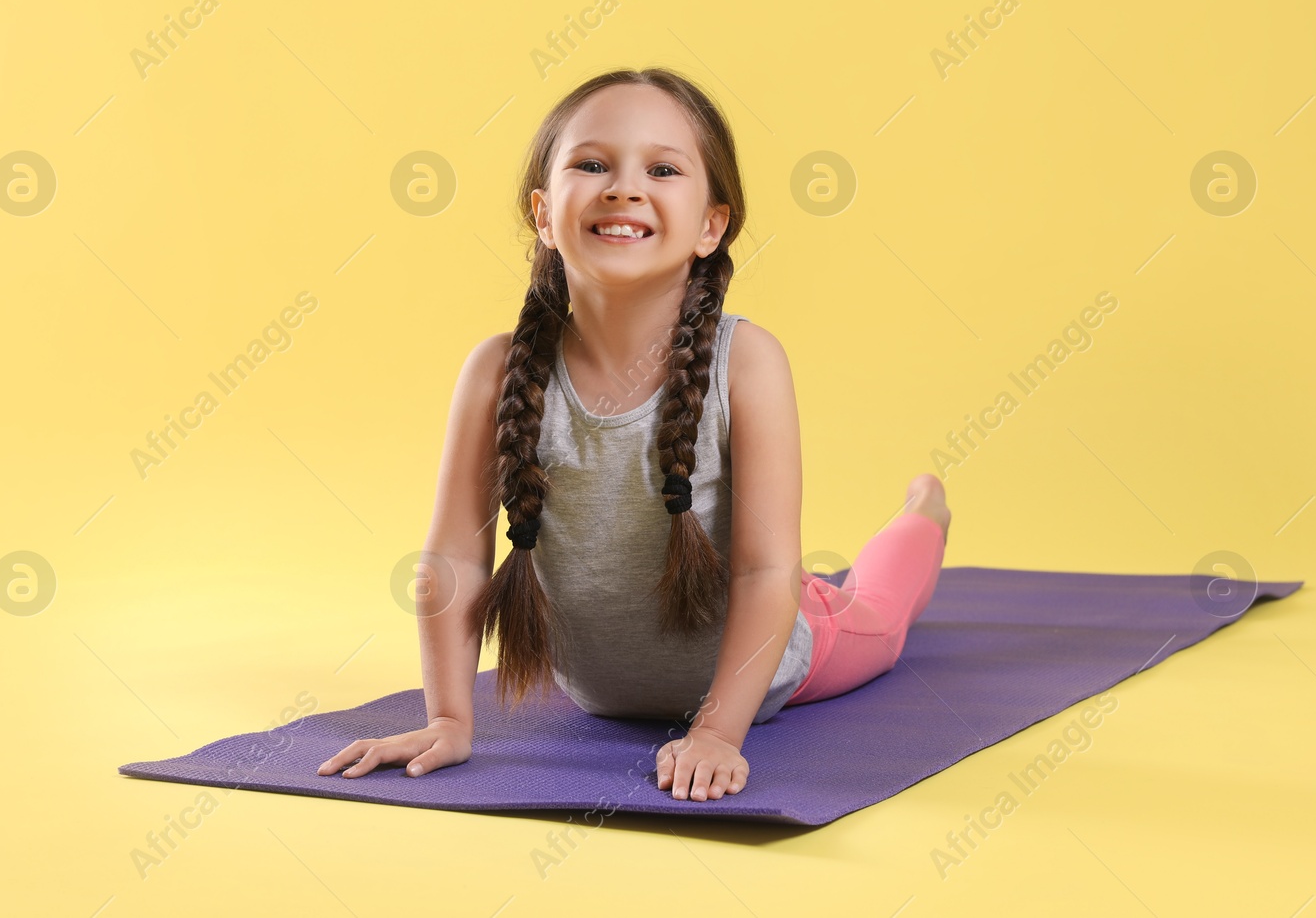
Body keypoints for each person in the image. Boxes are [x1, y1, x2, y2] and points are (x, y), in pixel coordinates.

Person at [318, 67, 950, 802]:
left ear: (712, 224)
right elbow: (452, 557)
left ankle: (923, 511)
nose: (623, 187)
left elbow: (765, 573)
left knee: (875, 612)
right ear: (544, 213)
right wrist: (450, 716)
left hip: (780, 657)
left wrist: (717, 730)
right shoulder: (496, 373)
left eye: (662, 168)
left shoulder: (746, 362)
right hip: (600, 690)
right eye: (592, 164)